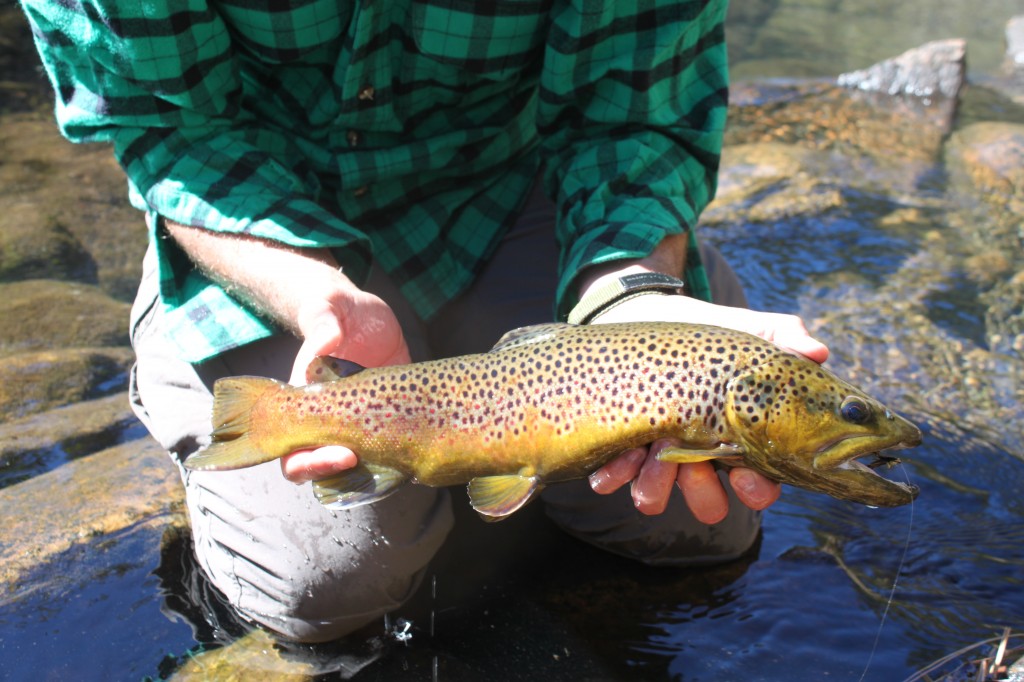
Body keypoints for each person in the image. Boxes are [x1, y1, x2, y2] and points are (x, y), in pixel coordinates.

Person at [22, 0, 828, 643]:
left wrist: (631, 299)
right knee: (321, 591)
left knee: (701, 520)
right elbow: (168, 129)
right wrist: (307, 293)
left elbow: (630, 122)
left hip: (519, 191)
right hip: (270, 219)